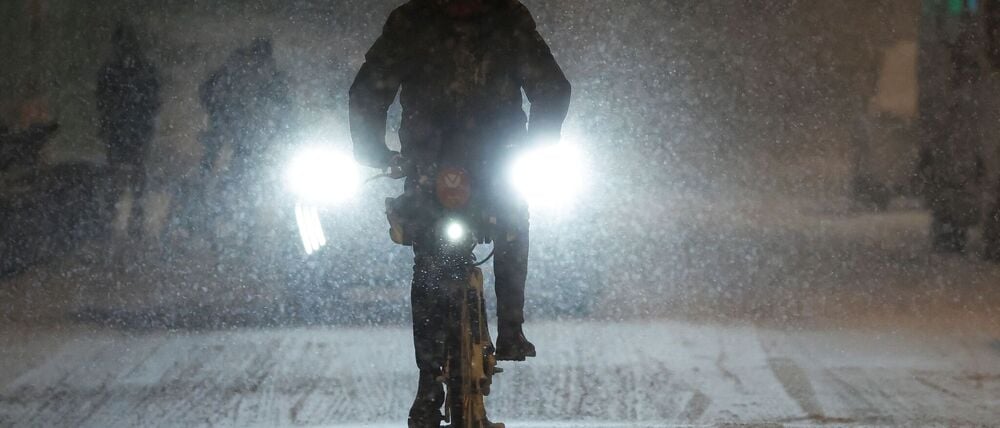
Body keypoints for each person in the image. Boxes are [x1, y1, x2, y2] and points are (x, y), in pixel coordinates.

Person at [349, 0, 570, 425]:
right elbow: (553, 89)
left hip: (438, 163)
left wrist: (376, 153)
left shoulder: (415, 20)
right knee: (506, 227)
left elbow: (367, 91)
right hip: (485, 158)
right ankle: (506, 333)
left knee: (432, 264)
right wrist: (535, 145)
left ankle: (434, 379)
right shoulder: (506, 18)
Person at [96, 23, 160, 239]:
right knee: (126, 173)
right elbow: (103, 100)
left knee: (130, 173)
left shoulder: (118, 71)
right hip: (126, 128)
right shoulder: (119, 70)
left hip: (130, 128)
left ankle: (124, 215)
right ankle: (123, 214)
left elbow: (152, 100)